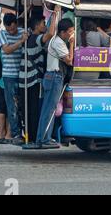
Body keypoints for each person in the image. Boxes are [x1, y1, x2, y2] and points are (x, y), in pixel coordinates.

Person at [18, 7, 59, 144]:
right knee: (34, 110)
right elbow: (51, 33)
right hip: (33, 79)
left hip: (23, 79)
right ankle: (35, 137)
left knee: (28, 110)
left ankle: (29, 135)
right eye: (43, 24)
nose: (44, 26)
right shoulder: (36, 38)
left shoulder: (28, 36)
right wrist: (55, 14)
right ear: (36, 26)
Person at [33, 19, 75, 150]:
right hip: (54, 77)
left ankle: (42, 138)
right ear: (63, 32)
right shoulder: (58, 43)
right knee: (50, 110)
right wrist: (72, 45)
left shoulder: (58, 41)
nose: (72, 34)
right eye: (70, 31)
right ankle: (44, 139)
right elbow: (69, 60)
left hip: (52, 77)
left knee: (47, 109)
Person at [0, 13, 28, 145]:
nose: (11, 31)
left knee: (22, 104)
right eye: (9, 29)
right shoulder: (2, 34)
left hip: (22, 74)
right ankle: (16, 134)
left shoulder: (23, 31)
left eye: (13, 29)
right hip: (8, 76)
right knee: (12, 106)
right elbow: (7, 50)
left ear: (16, 23)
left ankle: (25, 132)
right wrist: (21, 41)